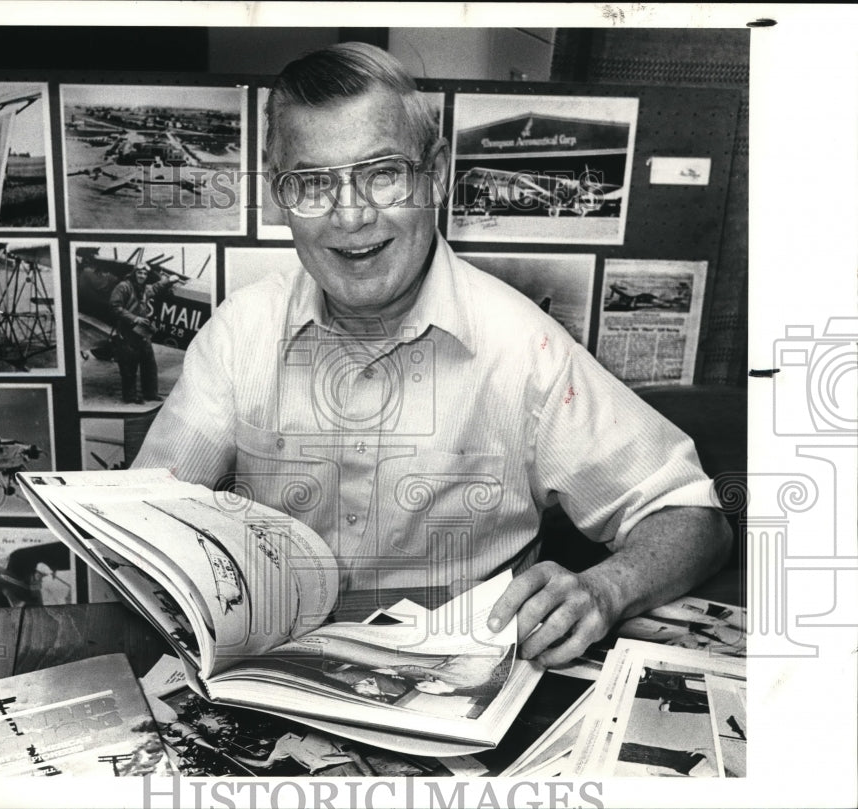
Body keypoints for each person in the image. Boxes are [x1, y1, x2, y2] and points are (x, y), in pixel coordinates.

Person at [134, 42, 732, 668]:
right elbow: (142, 526)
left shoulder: (524, 346)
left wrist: (606, 589)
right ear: (281, 196)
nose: (351, 216)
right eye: (313, 182)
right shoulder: (240, 334)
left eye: (383, 173)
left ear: (436, 173)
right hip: (264, 683)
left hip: (452, 698)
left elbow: (689, 514)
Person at [109, 263, 183, 404]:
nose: (142, 276)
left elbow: (155, 288)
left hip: (142, 332)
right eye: (139, 273)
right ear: (134, 273)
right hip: (127, 331)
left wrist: (169, 280)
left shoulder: (143, 289)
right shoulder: (124, 286)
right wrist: (134, 318)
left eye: (144, 274)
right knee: (129, 366)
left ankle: (150, 393)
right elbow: (114, 306)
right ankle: (130, 397)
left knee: (149, 364)